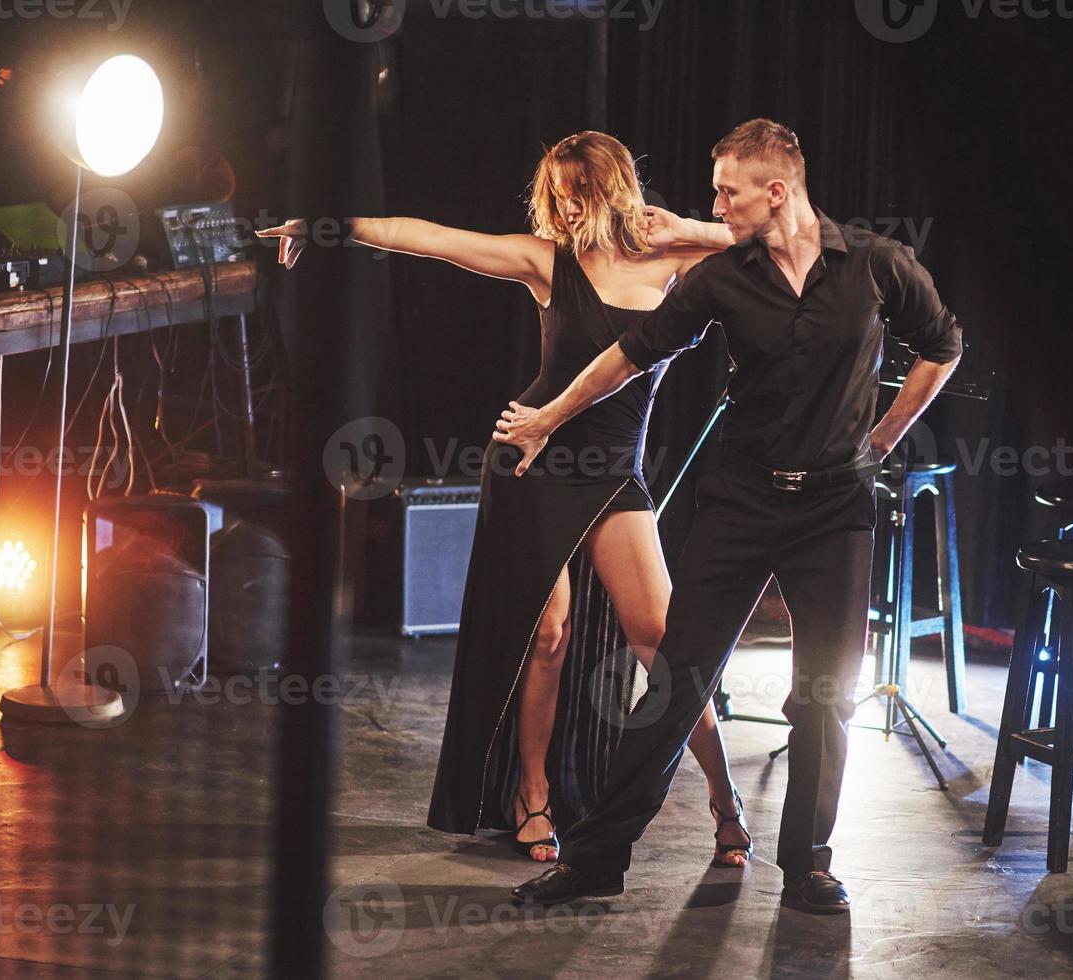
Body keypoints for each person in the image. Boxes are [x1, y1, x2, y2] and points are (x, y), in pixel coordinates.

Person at [495, 119, 963, 914]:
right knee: (674, 680)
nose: (711, 202)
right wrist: (549, 416)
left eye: (724, 190)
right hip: (740, 501)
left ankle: (807, 864)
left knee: (823, 694)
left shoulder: (877, 266)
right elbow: (627, 357)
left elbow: (943, 344)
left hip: (834, 509)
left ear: (773, 191)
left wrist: (882, 438)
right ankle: (597, 859)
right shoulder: (723, 278)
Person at [257, 131, 755, 869]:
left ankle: (724, 799)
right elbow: (430, 239)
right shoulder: (545, 260)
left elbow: (765, 243)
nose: (562, 205)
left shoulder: (672, 256)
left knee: (662, 641)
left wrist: (688, 227)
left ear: (612, 186)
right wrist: (326, 227)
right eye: (553, 192)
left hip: (615, 471)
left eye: (575, 190)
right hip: (532, 458)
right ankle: (532, 795)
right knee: (545, 633)